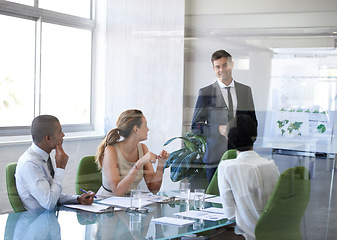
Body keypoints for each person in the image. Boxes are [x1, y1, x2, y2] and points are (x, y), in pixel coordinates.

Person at [191, 49, 257, 183]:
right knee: (214, 200)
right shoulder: (206, 93)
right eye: (217, 66)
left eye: (225, 65)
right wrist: (218, 128)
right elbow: (195, 126)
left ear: (232, 65)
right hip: (216, 159)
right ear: (213, 68)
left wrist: (248, 146)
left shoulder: (245, 90)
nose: (222, 69)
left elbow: (253, 122)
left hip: (241, 157)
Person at [218, 115, 280, 240]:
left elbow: (229, 214)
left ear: (229, 139)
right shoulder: (271, 165)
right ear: (255, 136)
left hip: (246, 236)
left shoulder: (227, 167)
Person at [15, 115, 95, 211]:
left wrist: (78, 199)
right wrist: (60, 167)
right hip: (37, 221)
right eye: (60, 131)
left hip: (48, 220)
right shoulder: (30, 164)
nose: (63, 135)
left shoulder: (43, 157)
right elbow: (49, 202)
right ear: (48, 138)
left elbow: (53, 194)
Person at [95, 109, 169, 196]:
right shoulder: (111, 150)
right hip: (107, 203)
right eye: (145, 125)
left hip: (130, 203)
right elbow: (118, 192)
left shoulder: (143, 149)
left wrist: (161, 164)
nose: (148, 129)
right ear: (136, 129)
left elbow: (154, 189)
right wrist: (139, 163)